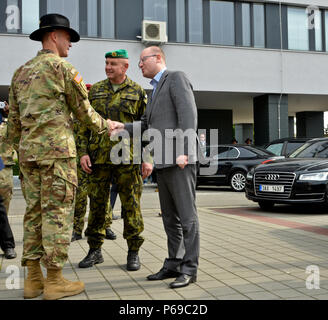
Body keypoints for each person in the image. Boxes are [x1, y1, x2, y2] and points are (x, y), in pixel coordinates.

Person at [7, 14, 111, 300]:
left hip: (28, 156)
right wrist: (108, 126)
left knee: (34, 214)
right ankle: (54, 281)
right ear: (54, 35)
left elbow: (13, 123)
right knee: (58, 215)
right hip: (58, 156)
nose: (71, 44)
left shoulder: (20, 73)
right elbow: (84, 113)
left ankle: (32, 281)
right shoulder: (62, 68)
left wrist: (18, 151)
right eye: (68, 38)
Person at [111, 46, 199, 289]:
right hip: (164, 161)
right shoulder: (154, 90)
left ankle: (189, 269)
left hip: (180, 161)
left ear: (158, 58)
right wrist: (122, 127)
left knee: (187, 218)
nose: (139, 65)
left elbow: (188, 116)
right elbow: (146, 125)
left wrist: (184, 152)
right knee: (170, 218)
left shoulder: (176, 78)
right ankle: (173, 264)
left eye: (142, 60)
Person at [77, 49, 148, 271]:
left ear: (125, 67)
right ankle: (94, 250)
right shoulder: (95, 90)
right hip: (98, 158)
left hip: (128, 159)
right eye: (107, 63)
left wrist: (147, 158)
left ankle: (133, 251)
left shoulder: (137, 92)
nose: (108, 67)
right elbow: (82, 125)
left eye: (113, 63)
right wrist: (83, 153)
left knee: (131, 206)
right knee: (97, 205)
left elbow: (147, 128)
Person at [71, 84, 116, 241]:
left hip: (99, 158)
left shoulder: (99, 114)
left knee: (102, 195)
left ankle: (106, 226)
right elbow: (77, 136)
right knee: (81, 195)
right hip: (80, 160)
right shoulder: (77, 113)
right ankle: (77, 229)